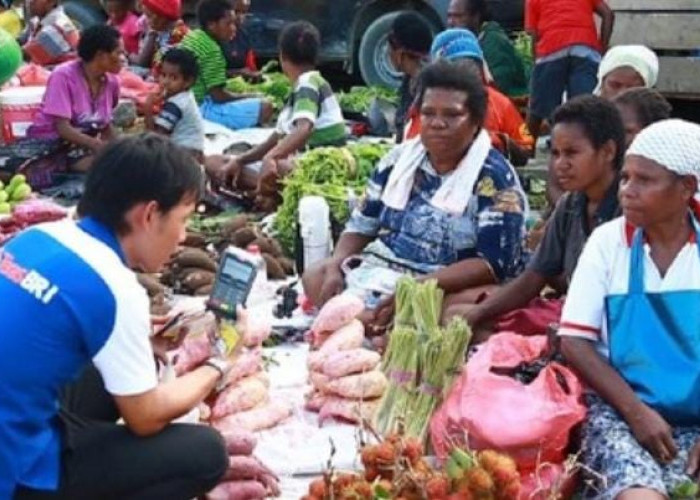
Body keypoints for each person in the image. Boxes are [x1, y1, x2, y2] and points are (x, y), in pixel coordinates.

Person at [0, 134, 229, 499]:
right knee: (207, 453)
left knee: (113, 369)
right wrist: (218, 365)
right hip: (16, 467)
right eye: (183, 220)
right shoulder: (116, 287)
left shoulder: (38, 236)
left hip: (12, 416)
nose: (184, 236)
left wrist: (136, 336)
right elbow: (146, 417)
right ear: (150, 214)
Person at [302, 61, 527, 333]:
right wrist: (337, 264)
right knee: (316, 275)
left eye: (452, 115)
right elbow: (361, 225)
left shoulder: (496, 179)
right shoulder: (397, 160)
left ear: (476, 122)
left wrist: (417, 288)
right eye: (428, 113)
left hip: (445, 283)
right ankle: (380, 322)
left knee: (460, 312)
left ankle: (368, 322)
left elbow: (493, 265)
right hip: (386, 269)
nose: (437, 124)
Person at [557, 119, 700, 499]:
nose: (627, 191)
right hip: (618, 411)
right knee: (639, 494)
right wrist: (636, 413)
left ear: (687, 187)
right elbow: (574, 341)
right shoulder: (609, 242)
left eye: (644, 180)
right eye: (625, 178)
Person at [444, 96, 625, 338]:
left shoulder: (629, 209)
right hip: (569, 312)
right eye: (556, 153)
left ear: (608, 152)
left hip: (607, 323)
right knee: (458, 314)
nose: (560, 164)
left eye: (571, 153)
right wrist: (479, 312)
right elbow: (533, 279)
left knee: (490, 334)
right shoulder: (570, 205)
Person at [208, 21, 345, 207]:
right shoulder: (300, 90)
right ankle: (267, 194)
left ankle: (270, 196)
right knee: (216, 162)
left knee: (279, 167)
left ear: (282, 56)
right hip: (300, 167)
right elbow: (273, 141)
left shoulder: (308, 83)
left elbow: (304, 128)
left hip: (321, 169)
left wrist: (270, 158)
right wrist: (240, 159)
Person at [21, 25, 122, 184]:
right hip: (48, 142)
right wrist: (97, 145)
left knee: (117, 165)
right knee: (25, 173)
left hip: (78, 148)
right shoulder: (63, 76)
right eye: (119, 53)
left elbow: (105, 125)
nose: (123, 58)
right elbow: (62, 128)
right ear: (101, 55)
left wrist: (123, 148)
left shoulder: (112, 83)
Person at [424, 28, 533, 166]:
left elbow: (526, 147)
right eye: (459, 66)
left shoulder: (500, 103)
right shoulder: (425, 107)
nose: (470, 72)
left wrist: (500, 142)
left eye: (473, 64)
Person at [525, 0, 615, 143]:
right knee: (585, 110)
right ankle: (589, 150)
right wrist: (602, 49)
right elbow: (608, 14)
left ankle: (525, 149)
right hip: (585, 48)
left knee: (536, 111)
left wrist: (536, 62)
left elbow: (532, 34)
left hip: (551, 47)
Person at [179, 0, 274, 131]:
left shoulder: (193, 37)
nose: (234, 28)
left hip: (183, 102)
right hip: (199, 109)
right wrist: (251, 95)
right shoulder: (212, 50)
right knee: (265, 107)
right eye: (229, 24)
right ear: (212, 25)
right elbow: (218, 97)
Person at [446, 0, 529, 98]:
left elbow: (497, 88)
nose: (451, 22)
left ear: (476, 17)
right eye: (449, 16)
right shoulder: (456, 42)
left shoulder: (494, 42)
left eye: (458, 16)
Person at [145, 48, 204, 162]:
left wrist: (148, 107)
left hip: (183, 155)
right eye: (163, 75)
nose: (165, 81)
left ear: (188, 81)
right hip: (194, 149)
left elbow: (156, 139)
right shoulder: (185, 95)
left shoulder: (175, 104)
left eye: (173, 77)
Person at [388, 11, 432, 142]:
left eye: (389, 49)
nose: (388, 54)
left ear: (400, 53)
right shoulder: (410, 80)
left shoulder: (429, 86)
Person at [129, 0, 188, 76]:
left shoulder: (177, 35)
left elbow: (157, 70)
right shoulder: (161, 31)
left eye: (148, 16)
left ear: (161, 18)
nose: (146, 21)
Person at [21, 0, 79, 66]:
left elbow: (20, 56)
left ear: (52, 2)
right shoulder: (37, 20)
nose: (30, 1)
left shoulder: (57, 28)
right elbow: (20, 40)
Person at [223, 0, 260, 81]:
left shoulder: (243, 35)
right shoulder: (216, 36)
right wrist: (238, 73)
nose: (240, 17)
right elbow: (208, 73)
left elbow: (251, 66)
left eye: (244, 12)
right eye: (236, 11)